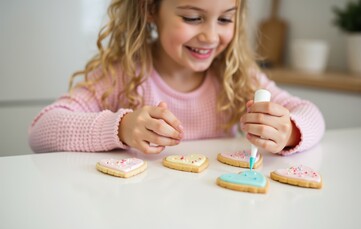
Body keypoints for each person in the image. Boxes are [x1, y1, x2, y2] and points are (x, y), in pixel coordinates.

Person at [28, 0, 325, 155]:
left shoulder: (237, 75)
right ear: (150, 9)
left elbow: (311, 115)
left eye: (225, 19)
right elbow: (41, 130)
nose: (210, 35)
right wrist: (121, 127)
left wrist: (289, 132)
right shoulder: (122, 73)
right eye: (192, 18)